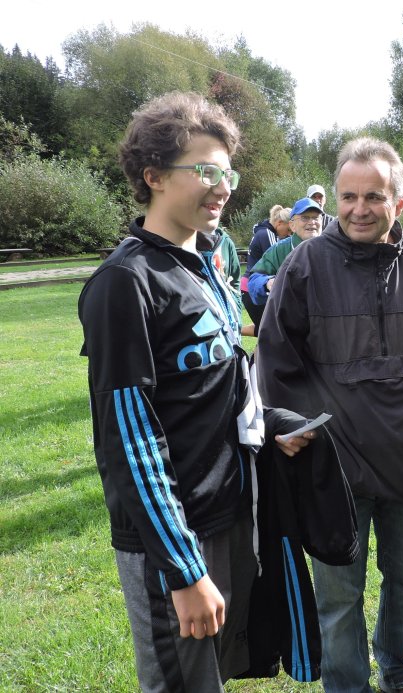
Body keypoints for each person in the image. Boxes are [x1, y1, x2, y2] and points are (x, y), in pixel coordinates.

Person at [77, 91, 313, 691]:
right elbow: (129, 440)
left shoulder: (204, 263)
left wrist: (272, 424)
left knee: (216, 674)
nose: (223, 187)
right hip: (173, 536)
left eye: (228, 172)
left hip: (228, 510)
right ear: (153, 176)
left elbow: (220, 380)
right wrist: (183, 571)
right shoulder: (125, 283)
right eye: (205, 171)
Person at [256, 137, 403, 693]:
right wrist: (284, 425)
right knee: (338, 597)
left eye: (374, 196)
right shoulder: (306, 264)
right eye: (348, 197)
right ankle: (347, 686)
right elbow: (275, 359)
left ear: (398, 202)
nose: (359, 209)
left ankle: (401, 675)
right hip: (334, 470)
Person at [245, 196, 323, 309]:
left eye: (316, 217)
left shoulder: (332, 249)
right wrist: (268, 283)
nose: (312, 222)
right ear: (292, 225)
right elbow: (254, 281)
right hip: (292, 316)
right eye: (305, 218)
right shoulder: (279, 250)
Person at [241, 205, 291, 335]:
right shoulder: (267, 234)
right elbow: (277, 263)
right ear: (279, 223)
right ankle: (233, 331)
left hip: (249, 286)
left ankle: (235, 330)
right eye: (288, 230)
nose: (289, 234)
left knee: (269, 330)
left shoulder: (263, 232)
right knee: (272, 331)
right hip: (253, 288)